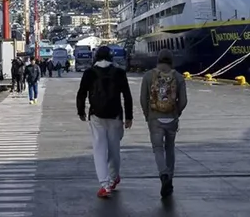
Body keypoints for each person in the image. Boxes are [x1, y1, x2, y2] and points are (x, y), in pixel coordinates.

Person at [76, 46, 133, 198]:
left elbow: (81, 93)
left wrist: (81, 111)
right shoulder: (119, 72)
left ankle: (105, 185)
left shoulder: (89, 73)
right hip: (115, 116)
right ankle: (114, 178)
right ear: (110, 57)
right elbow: (127, 95)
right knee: (114, 150)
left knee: (99, 150)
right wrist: (129, 117)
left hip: (96, 116)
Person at [140, 49, 188, 198]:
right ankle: (170, 180)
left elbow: (143, 99)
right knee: (170, 148)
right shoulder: (178, 77)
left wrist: (148, 115)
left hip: (155, 118)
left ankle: (163, 175)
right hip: (172, 118)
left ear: (158, 59)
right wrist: (177, 113)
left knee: (158, 149)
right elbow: (184, 100)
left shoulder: (148, 76)